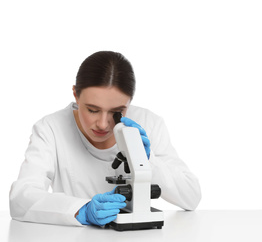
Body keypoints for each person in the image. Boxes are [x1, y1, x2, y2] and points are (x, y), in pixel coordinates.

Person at [9, 51, 201, 226]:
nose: (102, 124)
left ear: (129, 103)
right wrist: (80, 209)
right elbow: (21, 198)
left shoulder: (149, 123)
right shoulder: (50, 129)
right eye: (92, 110)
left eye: (116, 112)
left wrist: (146, 161)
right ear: (76, 94)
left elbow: (191, 196)